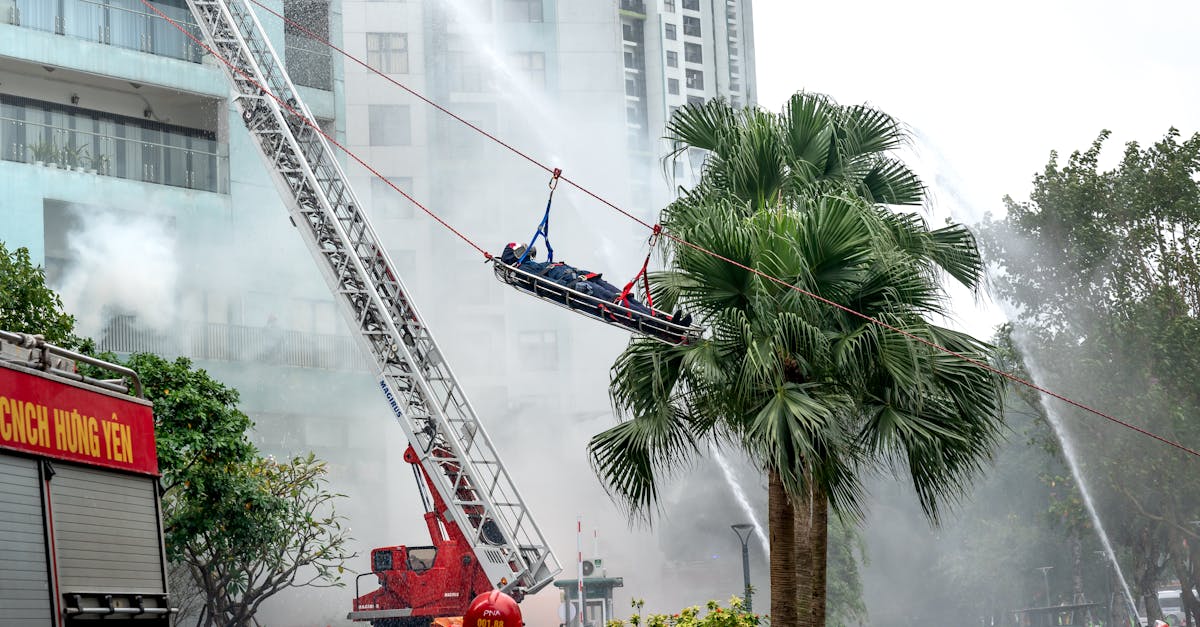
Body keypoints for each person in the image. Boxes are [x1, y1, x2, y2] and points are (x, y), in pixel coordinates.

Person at [500, 243, 693, 327]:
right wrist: (574, 286)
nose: (528, 252)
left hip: (587, 279)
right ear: (515, 257)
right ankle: (666, 326)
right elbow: (548, 284)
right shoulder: (525, 273)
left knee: (625, 299)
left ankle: (664, 320)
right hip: (581, 288)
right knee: (619, 307)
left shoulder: (534, 265)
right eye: (522, 251)